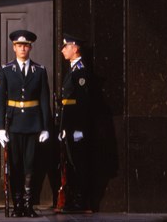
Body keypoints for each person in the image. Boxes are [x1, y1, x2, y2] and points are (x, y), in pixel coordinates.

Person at [0, 30, 51, 218]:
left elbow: (44, 100)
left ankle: (28, 203)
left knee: (30, 165)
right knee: (15, 165)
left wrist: (45, 127)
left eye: (26, 45)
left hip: (33, 124)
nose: (23, 48)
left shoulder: (40, 70)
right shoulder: (5, 70)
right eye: (19, 45)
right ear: (13, 47)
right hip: (13, 125)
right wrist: (0, 129)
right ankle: (17, 203)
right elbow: (0, 102)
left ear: (30, 47)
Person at [57, 34, 92, 214]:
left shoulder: (80, 71)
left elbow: (82, 102)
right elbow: (66, 104)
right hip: (69, 125)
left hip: (76, 127)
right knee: (70, 163)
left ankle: (80, 201)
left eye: (66, 46)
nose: (63, 50)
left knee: (78, 164)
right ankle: (72, 200)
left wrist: (78, 128)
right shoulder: (72, 69)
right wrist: (63, 127)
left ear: (75, 48)